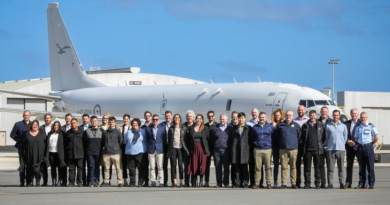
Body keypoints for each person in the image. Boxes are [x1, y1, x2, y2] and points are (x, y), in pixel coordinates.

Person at [300, 110, 325, 189]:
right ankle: (307, 183)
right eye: (311, 115)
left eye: (314, 115)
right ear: (309, 116)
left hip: (317, 150)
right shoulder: (305, 125)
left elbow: (323, 137)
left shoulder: (320, 125)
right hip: (307, 150)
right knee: (307, 168)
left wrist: (322, 146)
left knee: (317, 168)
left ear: (316, 116)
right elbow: (302, 138)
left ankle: (317, 183)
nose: (312, 117)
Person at [276, 110, 301, 189]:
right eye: (287, 115)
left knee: (293, 166)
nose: (288, 117)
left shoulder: (296, 125)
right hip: (283, 149)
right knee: (284, 167)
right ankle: (284, 183)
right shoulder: (280, 125)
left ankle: (293, 183)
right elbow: (277, 136)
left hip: (293, 149)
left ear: (292, 116)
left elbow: (299, 137)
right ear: (285, 116)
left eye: (290, 115)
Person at [354, 112, 378, 189]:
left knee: (370, 166)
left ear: (367, 118)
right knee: (361, 167)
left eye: (364, 117)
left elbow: (376, 136)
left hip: (368, 147)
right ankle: (362, 183)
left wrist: (371, 143)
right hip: (360, 147)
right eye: (361, 117)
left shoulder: (370, 126)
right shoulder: (358, 127)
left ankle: (371, 184)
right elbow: (356, 138)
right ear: (360, 118)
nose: (363, 119)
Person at [324, 110, 348, 189]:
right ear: (332, 115)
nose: (335, 117)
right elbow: (327, 137)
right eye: (334, 115)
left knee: (341, 168)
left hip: (341, 149)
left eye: (337, 115)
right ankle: (330, 184)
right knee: (330, 168)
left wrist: (341, 144)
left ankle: (342, 183)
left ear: (339, 116)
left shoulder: (343, 126)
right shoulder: (328, 126)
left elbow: (345, 137)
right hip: (330, 149)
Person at [228, 112, 252, 188]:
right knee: (236, 168)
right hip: (236, 150)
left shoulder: (248, 128)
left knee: (245, 168)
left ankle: (245, 183)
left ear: (245, 119)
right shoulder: (233, 128)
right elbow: (230, 140)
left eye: (242, 118)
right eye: (240, 118)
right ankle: (237, 183)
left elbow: (251, 140)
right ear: (237, 119)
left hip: (245, 150)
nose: (241, 119)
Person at [186, 114, 210, 187]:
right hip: (193, 149)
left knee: (202, 165)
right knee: (194, 164)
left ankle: (201, 181)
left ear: (202, 120)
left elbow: (208, 139)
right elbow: (188, 139)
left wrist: (208, 150)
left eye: (200, 118)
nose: (198, 120)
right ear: (195, 119)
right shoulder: (191, 128)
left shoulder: (205, 128)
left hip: (202, 149)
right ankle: (194, 181)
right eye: (197, 118)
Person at [252, 112, 274, 189]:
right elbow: (252, 137)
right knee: (258, 167)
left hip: (267, 149)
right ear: (259, 118)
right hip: (257, 149)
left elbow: (273, 137)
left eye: (263, 117)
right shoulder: (255, 127)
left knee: (268, 167)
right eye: (260, 117)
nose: (262, 119)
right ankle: (257, 182)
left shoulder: (270, 127)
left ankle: (268, 183)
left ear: (266, 118)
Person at [210, 113, 232, 188]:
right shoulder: (215, 128)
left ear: (227, 120)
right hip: (217, 151)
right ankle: (219, 183)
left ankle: (226, 182)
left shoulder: (230, 128)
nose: (222, 120)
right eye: (221, 119)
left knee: (226, 167)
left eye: (224, 119)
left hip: (226, 150)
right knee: (218, 167)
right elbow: (211, 139)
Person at [124, 118, 148, 187]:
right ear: (131, 125)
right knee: (131, 169)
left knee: (141, 168)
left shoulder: (143, 132)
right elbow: (125, 141)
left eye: (136, 124)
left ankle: (140, 182)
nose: (135, 125)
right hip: (130, 153)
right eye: (133, 124)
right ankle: (132, 182)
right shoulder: (128, 132)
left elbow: (146, 141)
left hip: (140, 152)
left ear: (139, 125)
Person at [167, 114, 189, 187]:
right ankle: (174, 181)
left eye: (178, 118)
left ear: (180, 119)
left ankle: (181, 181)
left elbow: (185, 139)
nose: (176, 119)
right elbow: (169, 140)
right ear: (173, 119)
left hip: (180, 148)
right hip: (173, 148)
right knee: (173, 165)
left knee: (180, 165)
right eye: (175, 118)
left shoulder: (184, 128)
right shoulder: (171, 129)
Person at [10, 110, 31, 187]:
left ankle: (29, 181)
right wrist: (19, 141)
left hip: (30, 148)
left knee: (29, 164)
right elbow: (12, 134)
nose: (26, 116)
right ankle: (22, 181)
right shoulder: (18, 124)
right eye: (25, 115)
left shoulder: (32, 125)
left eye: (27, 115)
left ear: (30, 116)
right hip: (21, 147)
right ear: (23, 116)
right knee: (22, 165)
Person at [22, 120, 46, 187]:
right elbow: (23, 144)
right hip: (29, 154)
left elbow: (45, 143)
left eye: (36, 125)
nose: (34, 126)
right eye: (33, 125)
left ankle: (38, 181)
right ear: (31, 126)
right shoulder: (27, 134)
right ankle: (29, 181)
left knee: (38, 168)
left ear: (38, 126)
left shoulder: (42, 133)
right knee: (29, 168)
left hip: (39, 154)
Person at [101, 117, 123, 187]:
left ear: (115, 123)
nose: (111, 123)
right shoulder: (105, 132)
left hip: (115, 153)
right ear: (108, 122)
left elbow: (121, 141)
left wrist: (117, 149)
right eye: (110, 122)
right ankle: (106, 181)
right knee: (106, 169)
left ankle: (120, 182)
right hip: (106, 153)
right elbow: (103, 142)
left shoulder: (118, 132)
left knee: (118, 169)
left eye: (113, 122)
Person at [146, 114, 166, 187]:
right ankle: (153, 181)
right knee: (152, 166)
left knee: (160, 166)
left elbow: (163, 139)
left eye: (156, 119)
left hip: (159, 149)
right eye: (154, 119)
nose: (155, 121)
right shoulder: (148, 129)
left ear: (158, 120)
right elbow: (147, 139)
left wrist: (162, 147)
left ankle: (161, 181)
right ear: (152, 120)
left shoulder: (162, 128)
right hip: (151, 149)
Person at [83, 116, 103, 187]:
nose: (93, 122)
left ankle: (96, 180)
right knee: (91, 166)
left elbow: (103, 142)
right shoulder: (87, 131)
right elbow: (84, 142)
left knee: (97, 167)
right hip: (90, 152)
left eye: (95, 121)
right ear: (90, 122)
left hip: (98, 152)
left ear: (97, 121)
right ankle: (91, 181)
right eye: (92, 121)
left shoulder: (101, 131)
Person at [344, 109, 361, 189]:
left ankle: (362, 182)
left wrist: (354, 142)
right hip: (349, 148)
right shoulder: (346, 123)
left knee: (361, 166)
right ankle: (348, 182)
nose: (354, 115)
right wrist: (348, 141)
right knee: (349, 166)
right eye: (352, 113)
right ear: (350, 114)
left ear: (358, 114)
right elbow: (344, 134)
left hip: (359, 147)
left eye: (355, 113)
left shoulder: (361, 123)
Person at [65, 118, 85, 187]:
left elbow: (85, 142)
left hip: (80, 154)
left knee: (80, 169)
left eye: (74, 123)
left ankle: (79, 182)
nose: (73, 124)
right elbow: (66, 143)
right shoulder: (68, 133)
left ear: (77, 123)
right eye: (72, 123)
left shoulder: (82, 131)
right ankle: (71, 182)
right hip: (71, 154)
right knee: (71, 169)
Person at [293, 105, 309, 188]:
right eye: (299, 110)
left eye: (302, 110)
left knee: (306, 165)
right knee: (297, 165)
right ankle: (297, 182)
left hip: (306, 146)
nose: (300, 111)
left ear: (305, 111)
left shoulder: (308, 121)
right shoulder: (294, 121)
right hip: (297, 145)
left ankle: (307, 183)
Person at [46, 121, 66, 187]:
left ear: (59, 126)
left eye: (57, 125)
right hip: (51, 152)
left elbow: (65, 144)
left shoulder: (62, 134)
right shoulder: (50, 134)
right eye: (55, 125)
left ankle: (60, 180)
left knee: (60, 167)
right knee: (53, 167)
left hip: (59, 153)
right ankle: (54, 181)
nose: (56, 126)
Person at [246, 108, 260, 188]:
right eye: (253, 112)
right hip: (251, 147)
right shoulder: (248, 123)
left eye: (255, 112)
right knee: (251, 166)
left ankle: (259, 182)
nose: (254, 114)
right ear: (251, 114)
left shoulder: (261, 122)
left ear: (258, 113)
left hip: (259, 147)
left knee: (259, 166)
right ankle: (252, 182)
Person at [318, 106, 332, 188]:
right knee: (321, 166)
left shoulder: (331, 122)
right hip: (319, 147)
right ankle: (322, 182)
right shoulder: (317, 121)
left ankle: (330, 183)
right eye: (323, 111)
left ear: (328, 112)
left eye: (326, 111)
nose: (324, 113)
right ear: (320, 112)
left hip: (329, 147)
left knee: (329, 166)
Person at [204, 111, 218, 187]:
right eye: (209, 116)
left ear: (214, 117)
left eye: (212, 116)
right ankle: (206, 181)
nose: (210, 118)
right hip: (208, 149)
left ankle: (218, 182)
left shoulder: (217, 125)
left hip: (215, 148)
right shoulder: (205, 126)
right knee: (207, 166)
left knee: (217, 165)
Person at [271, 109, 284, 188]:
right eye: (276, 115)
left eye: (278, 115)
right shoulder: (271, 124)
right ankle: (275, 181)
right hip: (274, 146)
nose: (277, 117)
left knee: (283, 164)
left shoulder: (283, 124)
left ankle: (283, 181)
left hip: (281, 146)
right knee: (275, 164)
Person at [38, 113, 53, 186]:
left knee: (53, 166)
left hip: (53, 149)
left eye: (48, 118)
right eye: (46, 118)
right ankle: (45, 181)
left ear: (51, 119)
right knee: (44, 167)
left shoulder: (54, 127)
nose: (47, 119)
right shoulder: (41, 128)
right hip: (44, 149)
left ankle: (55, 181)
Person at [182, 110, 195, 187]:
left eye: (190, 116)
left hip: (194, 150)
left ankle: (193, 181)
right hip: (185, 149)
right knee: (186, 167)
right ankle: (186, 182)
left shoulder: (196, 126)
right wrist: (186, 149)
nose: (189, 117)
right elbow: (182, 139)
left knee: (193, 166)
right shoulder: (183, 126)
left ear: (193, 117)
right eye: (188, 116)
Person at [160, 110, 173, 187]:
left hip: (171, 146)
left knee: (172, 165)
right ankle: (165, 181)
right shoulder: (161, 125)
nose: (168, 117)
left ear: (171, 116)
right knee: (164, 165)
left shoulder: (174, 124)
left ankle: (173, 181)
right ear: (165, 116)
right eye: (166, 116)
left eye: (169, 116)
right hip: (164, 146)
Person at [119, 114, 131, 187]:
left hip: (129, 147)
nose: (126, 120)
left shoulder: (131, 127)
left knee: (130, 165)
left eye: (127, 119)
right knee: (124, 164)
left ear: (129, 120)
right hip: (123, 147)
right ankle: (125, 180)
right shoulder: (121, 128)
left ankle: (131, 180)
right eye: (125, 119)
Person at [100, 113, 113, 185]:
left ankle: (109, 179)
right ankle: (104, 179)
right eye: (104, 118)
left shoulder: (111, 128)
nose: (105, 120)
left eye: (106, 118)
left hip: (109, 149)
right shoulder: (100, 128)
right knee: (103, 165)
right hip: (102, 149)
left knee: (109, 166)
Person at [60, 113, 72, 187]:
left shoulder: (74, 127)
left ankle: (71, 181)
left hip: (70, 150)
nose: (68, 119)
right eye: (67, 118)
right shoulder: (62, 128)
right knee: (63, 166)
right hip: (63, 150)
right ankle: (63, 181)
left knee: (71, 167)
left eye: (69, 118)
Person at [140, 111, 152, 186]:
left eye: (148, 116)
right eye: (146, 116)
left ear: (151, 117)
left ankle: (155, 180)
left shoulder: (153, 125)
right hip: (144, 149)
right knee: (144, 166)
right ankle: (146, 181)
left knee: (155, 166)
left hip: (152, 148)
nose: (147, 117)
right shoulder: (142, 128)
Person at [79, 114, 91, 186]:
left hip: (89, 149)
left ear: (88, 119)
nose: (85, 120)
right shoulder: (79, 127)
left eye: (86, 119)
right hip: (82, 150)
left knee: (90, 166)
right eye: (83, 119)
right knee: (82, 166)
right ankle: (83, 181)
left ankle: (89, 180)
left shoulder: (91, 127)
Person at [229, 111, 238, 186]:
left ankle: (239, 181)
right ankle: (233, 182)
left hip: (240, 149)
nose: (234, 118)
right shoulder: (229, 126)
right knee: (233, 166)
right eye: (233, 116)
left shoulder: (241, 126)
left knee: (240, 166)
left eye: (236, 116)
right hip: (232, 149)